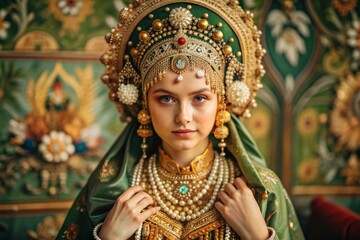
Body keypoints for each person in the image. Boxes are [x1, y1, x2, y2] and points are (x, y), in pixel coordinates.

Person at [57, 0, 304, 239]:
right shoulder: (110, 191)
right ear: (144, 103)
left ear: (222, 102)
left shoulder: (260, 192)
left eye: (199, 98)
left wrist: (258, 236)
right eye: (166, 99)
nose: (183, 117)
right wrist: (109, 237)